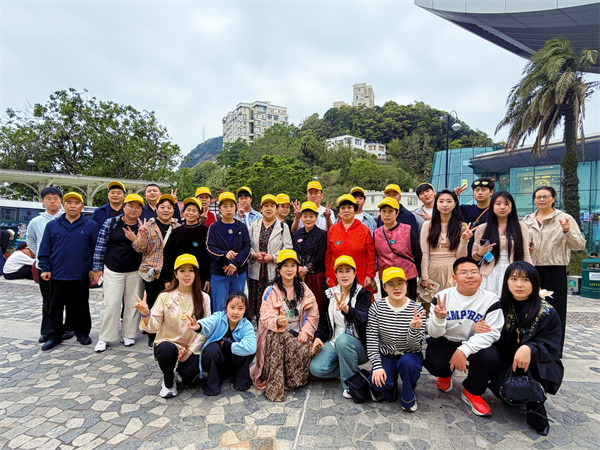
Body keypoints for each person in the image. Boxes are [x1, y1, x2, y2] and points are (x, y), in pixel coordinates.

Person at [483, 261, 563, 436]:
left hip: (536, 364)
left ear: (534, 283)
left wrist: (530, 348)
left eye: (525, 279)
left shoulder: (546, 312)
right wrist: (480, 329)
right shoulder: (498, 306)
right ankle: (511, 392)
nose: (519, 284)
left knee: (527, 370)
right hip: (505, 363)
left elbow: (552, 345)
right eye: (514, 279)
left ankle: (535, 407)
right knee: (491, 365)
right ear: (507, 282)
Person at [424, 257, 504, 417]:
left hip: (474, 343)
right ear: (454, 278)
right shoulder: (441, 297)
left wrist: (463, 351)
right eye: (463, 272)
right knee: (435, 363)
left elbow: (492, 333)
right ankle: (445, 374)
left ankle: (472, 391)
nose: (469, 276)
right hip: (446, 340)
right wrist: (439, 318)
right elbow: (433, 333)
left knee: (490, 357)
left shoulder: (491, 300)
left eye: (474, 272)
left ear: (481, 276)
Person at [135, 254, 211, 398]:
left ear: (196, 274)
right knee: (167, 350)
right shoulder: (165, 297)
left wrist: (190, 350)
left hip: (191, 347)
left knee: (188, 375)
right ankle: (168, 381)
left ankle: (180, 372)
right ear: (175, 274)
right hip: (168, 343)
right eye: (182, 271)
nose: (187, 275)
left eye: (191, 270)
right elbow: (154, 327)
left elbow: (205, 330)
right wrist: (146, 314)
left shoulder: (204, 298)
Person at [522, 186, 586, 356]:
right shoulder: (527, 220)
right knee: (530, 309)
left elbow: (579, 245)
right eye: (538, 197)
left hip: (554, 270)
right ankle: (530, 348)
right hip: (531, 270)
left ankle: (554, 351)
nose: (541, 199)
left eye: (545, 196)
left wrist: (567, 231)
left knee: (555, 310)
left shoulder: (565, 218)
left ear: (553, 198)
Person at [250, 249, 319, 402]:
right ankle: (275, 388)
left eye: (293, 266)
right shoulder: (271, 291)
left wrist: (306, 331)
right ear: (279, 269)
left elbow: (313, 314)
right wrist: (277, 321)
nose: (289, 269)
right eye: (285, 266)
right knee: (277, 336)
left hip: (298, 337)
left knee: (302, 353)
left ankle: (291, 379)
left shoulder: (304, 289)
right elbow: (265, 316)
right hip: (277, 337)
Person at [37, 192, 98, 350]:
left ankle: (82, 333)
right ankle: (53, 336)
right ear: (63, 205)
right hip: (57, 274)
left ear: (82, 206)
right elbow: (45, 249)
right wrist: (45, 267)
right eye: (69, 202)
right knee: (54, 307)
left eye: (76, 203)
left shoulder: (91, 226)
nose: (72, 206)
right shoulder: (52, 225)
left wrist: (94, 269)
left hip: (80, 274)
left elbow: (95, 250)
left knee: (81, 306)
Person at [310, 255, 370, 398]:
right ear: (335, 274)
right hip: (334, 341)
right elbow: (324, 322)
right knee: (316, 369)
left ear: (354, 273)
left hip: (358, 345)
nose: (344, 275)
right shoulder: (331, 294)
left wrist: (347, 310)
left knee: (343, 340)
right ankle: (348, 367)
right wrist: (318, 337)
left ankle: (349, 385)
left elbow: (362, 317)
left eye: (348, 271)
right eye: (340, 271)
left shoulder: (363, 294)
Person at [368, 267, 426, 412]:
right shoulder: (376, 307)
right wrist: (377, 366)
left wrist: (414, 329)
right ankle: (390, 386)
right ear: (384, 287)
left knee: (408, 364)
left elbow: (414, 346)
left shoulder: (417, 310)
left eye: (400, 283)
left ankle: (409, 392)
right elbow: (372, 338)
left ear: (406, 284)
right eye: (391, 284)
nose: (396, 288)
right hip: (387, 354)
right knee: (378, 383)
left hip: (409, 354)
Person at [92, 193, 145, 352]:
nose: (134, 210)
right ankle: (105, 337)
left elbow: (147, 249)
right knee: (111, 304)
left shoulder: (144, 226)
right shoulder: (111, 223)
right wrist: (97, 269)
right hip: (113, 268)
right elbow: (100, 246)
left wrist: (137, 237)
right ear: (124, 207)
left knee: (133, 304)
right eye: (130, 206)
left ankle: (129, 334)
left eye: (138, 207)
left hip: (135, 271)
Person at [132, 193, 181, 348]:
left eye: (169, 207)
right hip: (153, 272)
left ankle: (169, 332)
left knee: (171, 304)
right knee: (153, 303)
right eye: (162, 207)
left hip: (172, 272)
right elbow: (138, 248)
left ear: (173, 210)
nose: (166, 210)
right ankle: (152, 334)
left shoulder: (178, 227)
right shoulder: (148, 226)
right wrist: (142, 236)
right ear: (156, 209)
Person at [187, 292, 257, 396]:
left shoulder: (246, 325)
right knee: (212, 349)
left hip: (235, 363)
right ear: (226, 307)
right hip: (218, 362)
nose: (235, 312)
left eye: (240, 308)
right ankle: (213, 383)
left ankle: (241, 380)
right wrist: (199, 326)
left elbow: (251, 347)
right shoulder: (219, 317)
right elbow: (209, 323)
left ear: (245, 310)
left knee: (246, 350)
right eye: (232, 307)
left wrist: (228, 346)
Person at [472, 191, 532, 292]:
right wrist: (480, 253)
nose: (502, 207)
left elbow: (526, 255)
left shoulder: (521, 227)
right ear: (492, 206)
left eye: (506, 203)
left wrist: (532, 275)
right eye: (498, 204)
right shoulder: (482, 229)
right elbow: (475, 256)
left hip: (514, 273)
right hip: (489, 273)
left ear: (512, 206)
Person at [26, 187, 64, 342]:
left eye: (55, 198)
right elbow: (31, 241)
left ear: (60, 201)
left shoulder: (67, 218)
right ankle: (47, 331)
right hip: (45, 267)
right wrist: (43, 256)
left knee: (66, 300)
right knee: (48, 300)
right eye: (49, 198)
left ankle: (67, 329)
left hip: (64, 267)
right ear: (43, 201)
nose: (52, 201)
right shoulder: (36, 222)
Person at [247, 194, 293, 320]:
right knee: (256, 305)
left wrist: (273, 257)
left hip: (273, 271)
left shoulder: (283, 227)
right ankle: (258, 327)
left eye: (272, 206)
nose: (269, 208)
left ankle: (273, 326)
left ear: (276, 209)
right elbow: (246, 245)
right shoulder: (254, 225)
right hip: (256, 272)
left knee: (273, 303)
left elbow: (288, 248)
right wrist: (253, 255)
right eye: (266, 206)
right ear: (261, 209)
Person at [206, 192, 251, 313]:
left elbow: (247, 247)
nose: (228, 209)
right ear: (219, 209)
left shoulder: (241, 227)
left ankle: (236, 326)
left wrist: (236, 263)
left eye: (231, 206)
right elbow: (210, 247)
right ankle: (220, 326)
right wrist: (225, 254)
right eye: (224, 206)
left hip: (238, 273)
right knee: (219, 306)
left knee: (237, 306)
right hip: (219, 272)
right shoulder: (214, 227)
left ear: (235, 208)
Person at [420, 189, 472, 293]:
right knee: (432, 301)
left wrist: (464, 240)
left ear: (455, 204)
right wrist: (424, 276)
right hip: (433, 270)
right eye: (441, 201)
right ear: (436, 204)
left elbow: (460, 256)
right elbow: (425, 253)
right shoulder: (427, 225)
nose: (445, 205)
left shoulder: (461, 226)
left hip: (453, 271)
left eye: (449, 201)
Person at [325, 195, 376, 296]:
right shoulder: (333, 230)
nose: (346, 211)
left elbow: (371, 255)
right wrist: (328, 275)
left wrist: (369, 275)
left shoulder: (364, 230)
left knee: (360, 302)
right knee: (338, 302)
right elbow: (329, 255)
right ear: (339, 211)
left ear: (355, 210)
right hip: (338, 277)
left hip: (360, 276)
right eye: (343, 208)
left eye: (349, 207)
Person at [374, 197, 421, 302]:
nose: (387, 214)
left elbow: (417, 253)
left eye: (390, 211)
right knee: (388, 305)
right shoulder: (376, 233)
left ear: (397, 213)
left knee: (408, 304)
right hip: (387, 277)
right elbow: (375, 256)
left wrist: (421, 275)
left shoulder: (407, 229)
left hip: (407, 276)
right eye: (384, 211)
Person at [162, 198, 211, 296]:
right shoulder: (176, 232)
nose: (191, 213)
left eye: (194, 211)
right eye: (188, 210)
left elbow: (208, 257)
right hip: (178, 276)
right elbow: (168, 256)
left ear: (199, 214)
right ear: (183, 213)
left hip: (200, 276)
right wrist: (167, 279)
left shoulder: (205, 231)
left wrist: (208, 278)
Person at [292, 201, 327, 313]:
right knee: (299, 302)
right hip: (298, 274)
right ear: (301, 217)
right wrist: (298, 268)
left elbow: (321, 255)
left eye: (311, 216)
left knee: (315, 303)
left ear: (316, 218)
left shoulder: (322, 234)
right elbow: (294, 252)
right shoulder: (298, 233)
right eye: (305, 216)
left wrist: (306, 268)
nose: (308, 219)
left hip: (315, 275)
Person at [455, 177, 495, 255]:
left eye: (484, 190)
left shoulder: (495, 212)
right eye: (477, 190)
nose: (480, 193)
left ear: (491, 192)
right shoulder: (465, 209)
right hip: (467, 252)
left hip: (489, 252)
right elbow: (446, 210)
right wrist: (454, 196)